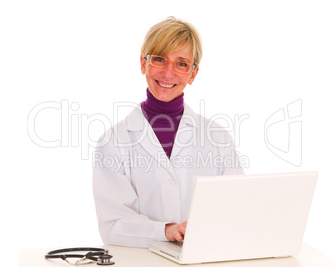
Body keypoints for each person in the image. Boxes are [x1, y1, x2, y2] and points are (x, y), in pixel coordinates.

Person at [93, 17, 243, 248]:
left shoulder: (218, 138)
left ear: (193, 74)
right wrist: (166, 230)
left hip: (204, 258)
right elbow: (113, 225)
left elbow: (237, 207)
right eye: (160, 59)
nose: (168, 73)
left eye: (182, 63)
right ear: (143, 64)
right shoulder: (113, 141)